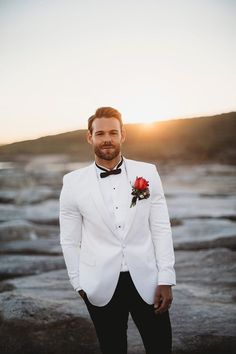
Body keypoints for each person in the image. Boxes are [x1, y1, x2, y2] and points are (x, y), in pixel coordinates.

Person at [59, 107, 176, 354]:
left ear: (123, 134)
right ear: (89, 137)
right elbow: (69, 240)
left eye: (113, 132)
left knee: (160, 346)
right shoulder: (72, 183)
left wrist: (166, 277)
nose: (107, 139)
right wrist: (78, 282)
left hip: (148, 281)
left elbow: (160, 227)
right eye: (100, 133)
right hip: (99, 283)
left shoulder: (147, 172)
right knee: (112, 348)